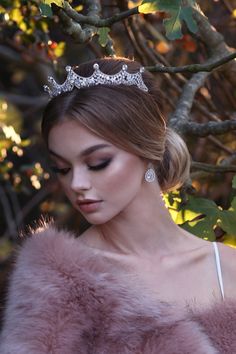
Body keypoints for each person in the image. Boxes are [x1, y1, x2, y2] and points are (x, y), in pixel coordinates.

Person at [0, 57, 236, 353]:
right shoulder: (54, 280)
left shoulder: (228, 266)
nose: (76, 184)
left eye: (98, 163)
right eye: (62, 168)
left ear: (147, 151)